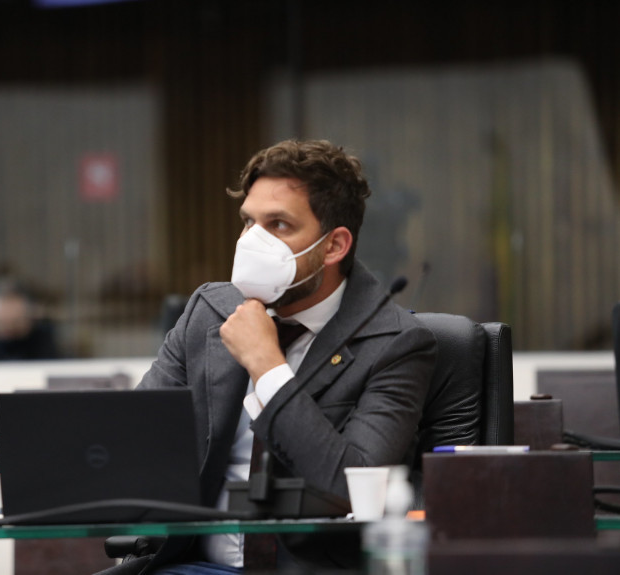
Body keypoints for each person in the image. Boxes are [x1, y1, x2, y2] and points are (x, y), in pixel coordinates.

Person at [101, 139, 437, 575]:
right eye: (248, 222)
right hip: (189, 566)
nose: (252, 242)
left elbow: (353, 487)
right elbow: (135, 440)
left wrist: (268, 366)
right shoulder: (210, 312)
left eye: (277, 225)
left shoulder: (396, 342)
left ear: (334, 246)